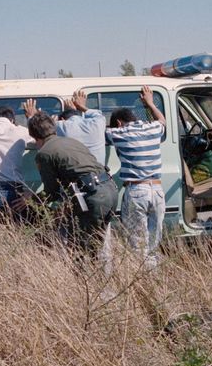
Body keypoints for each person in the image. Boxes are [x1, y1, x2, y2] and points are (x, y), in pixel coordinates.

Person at [23, 111, 118, 257]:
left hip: (92, 195)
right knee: (97, 244)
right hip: (110, 190)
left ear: (34, 136)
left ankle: (84, 278)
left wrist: (32, 199)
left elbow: (51, 192)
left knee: (82, 251)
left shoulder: (44, 154)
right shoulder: (72, 141)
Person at [105, 85, 166, 266]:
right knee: (154, 242)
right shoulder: (153, 128)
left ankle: (142, 281)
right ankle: (153, 276)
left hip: (137, 190)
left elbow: (94, 129)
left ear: (118, 123)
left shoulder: (118, 133)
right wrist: (150, 104)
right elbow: (162, 120)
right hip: (157, 190)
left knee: (138, 242)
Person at [24, 90, 106, 165]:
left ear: (62, 119)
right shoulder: (97, 123)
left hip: (76, 177)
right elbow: (98, 115)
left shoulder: (62, 126)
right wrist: (81, 106)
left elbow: (42, 129)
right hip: (101, 176)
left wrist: (32, 116)